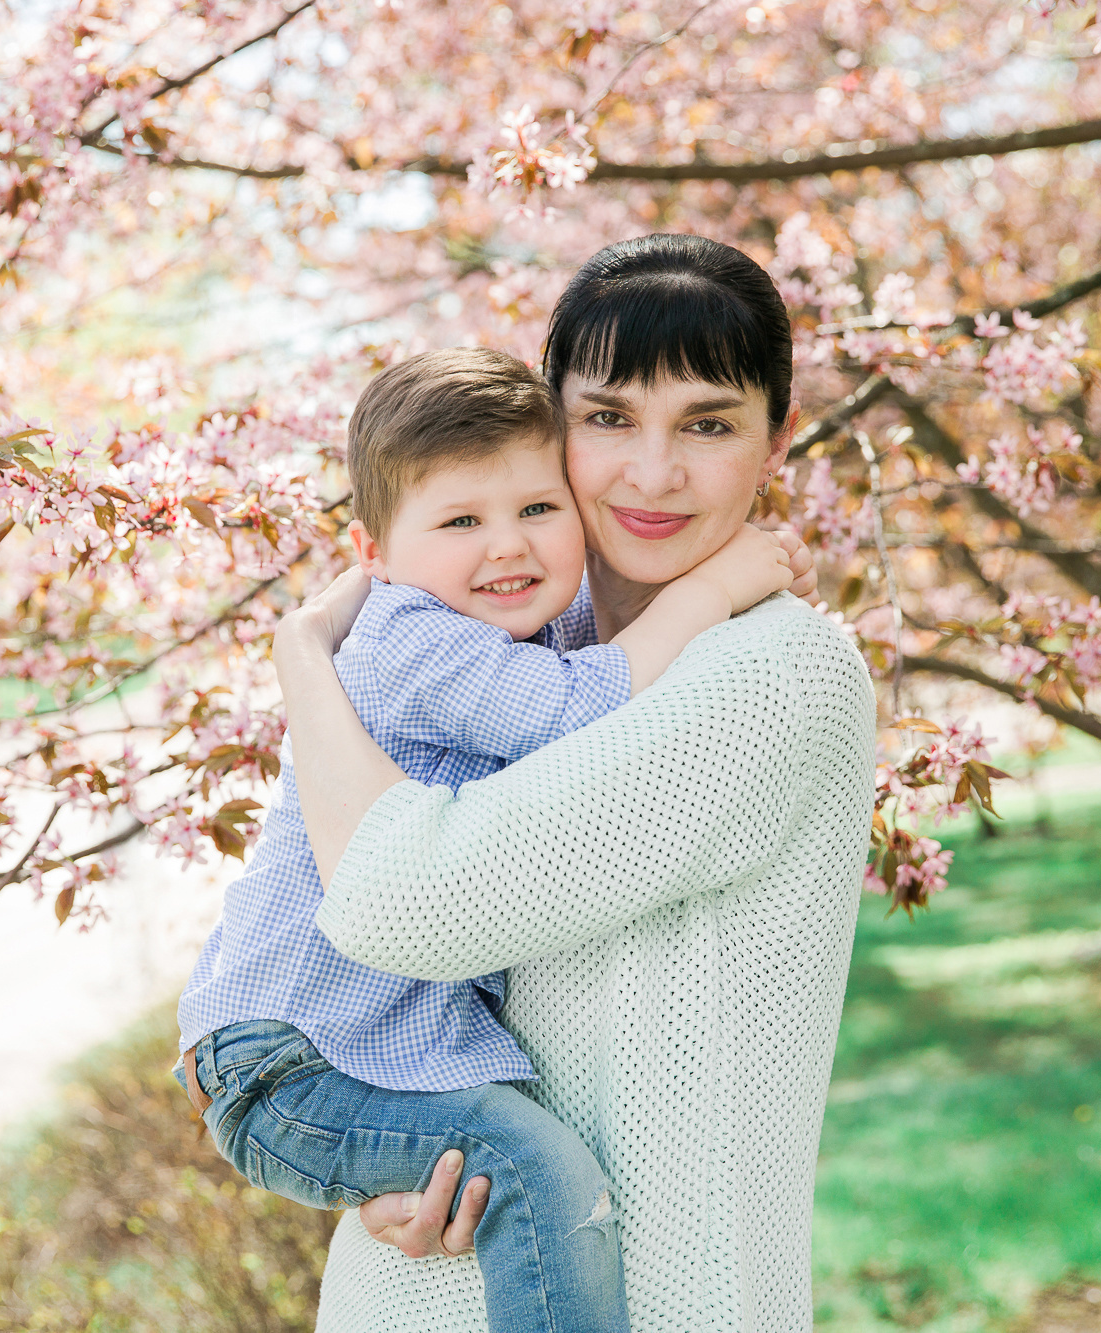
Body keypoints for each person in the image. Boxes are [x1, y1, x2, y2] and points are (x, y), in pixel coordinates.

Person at [271, 234, 880, 1332]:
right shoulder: (514, 655)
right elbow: (346, 974)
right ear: (550, 430)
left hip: (668, 1296)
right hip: (428, 1287)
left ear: (774, 438)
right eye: (607, 419)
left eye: (707, 423)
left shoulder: (768, 675)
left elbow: (391, 898)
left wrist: (304, 660)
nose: (653, 473)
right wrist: (380, 1150)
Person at [175, 346, 811, 1333]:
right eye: (460, 521)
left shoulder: (511, 625)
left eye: (536, 509)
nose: (506, 546)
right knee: (535, 1172)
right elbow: (573, 714)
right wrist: (706, 593)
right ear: (372, 554)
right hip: (294, 1061)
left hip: (339, 1050)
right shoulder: (418, 637)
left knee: (511, 1170)